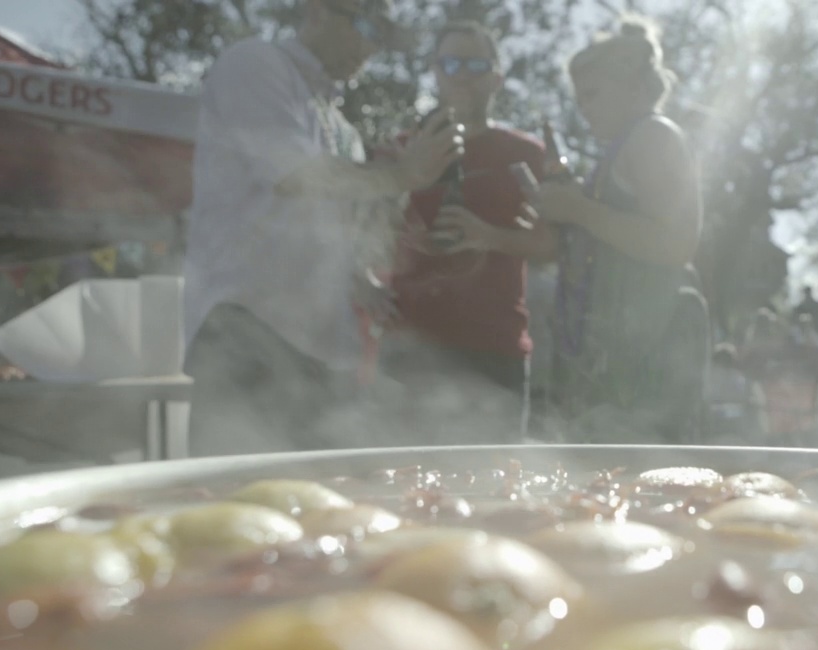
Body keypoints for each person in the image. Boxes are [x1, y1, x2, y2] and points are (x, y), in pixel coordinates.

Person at [183, 0, 463, 457]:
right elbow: (295, 176)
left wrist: (361, 279)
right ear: (316, 10)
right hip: (244, 331)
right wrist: (403, 176)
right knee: (229, 505)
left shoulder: (340, 127)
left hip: (322, 351)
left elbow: (327, 227)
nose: (372, 45)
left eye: (381, 32)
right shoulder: (253, 63)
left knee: (317, 512)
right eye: (365, 24)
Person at [376, 20, 554, 445]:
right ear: (435, 71)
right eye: (450, 63)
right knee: (399, 488)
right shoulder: (399, 151)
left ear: (497, 76)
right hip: (407, 350)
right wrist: (365, 280)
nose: (461, 74)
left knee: (495, 492)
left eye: (475, 64)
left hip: (494, 349)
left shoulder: (527, 154)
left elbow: (553, 247)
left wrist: (488, 236)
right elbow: (362, 235)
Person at [538, 16, 708, 444]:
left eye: (593, 94)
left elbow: (675, 244)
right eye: (579, 100)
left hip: (647, 365)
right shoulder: (623, 146)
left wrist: (578, 210)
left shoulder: (653, 135)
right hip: (611, 369)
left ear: (633, 86)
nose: (584, 109)